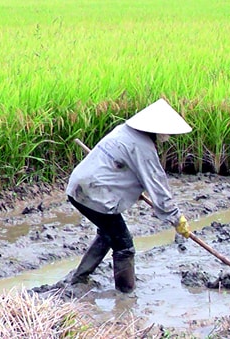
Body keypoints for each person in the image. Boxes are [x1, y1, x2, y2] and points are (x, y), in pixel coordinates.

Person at [66, 98, 192, 293]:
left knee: (109, 233)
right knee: (124, 245)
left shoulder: (123, 131)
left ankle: (80, 278)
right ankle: (125, 294)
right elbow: (157, 185)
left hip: (78, 187)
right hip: (95, 195)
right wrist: (176, 217)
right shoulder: (142, 147)